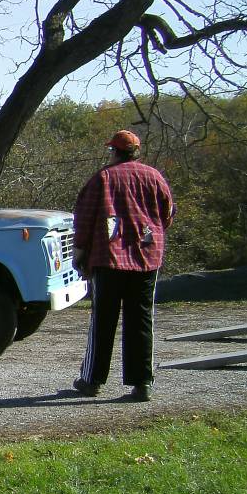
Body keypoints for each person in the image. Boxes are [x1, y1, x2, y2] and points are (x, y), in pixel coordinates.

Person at [72, 130, 175, 402]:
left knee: (103, 321)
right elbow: (167, 214)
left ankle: (92, 380)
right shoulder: (154, 177)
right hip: (147, 258)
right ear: (136, 151)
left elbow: (84, 219)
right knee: (141, 319)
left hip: (109, 258)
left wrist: (79, 253)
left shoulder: (103, 178)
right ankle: (142, 383)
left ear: (115, 151)